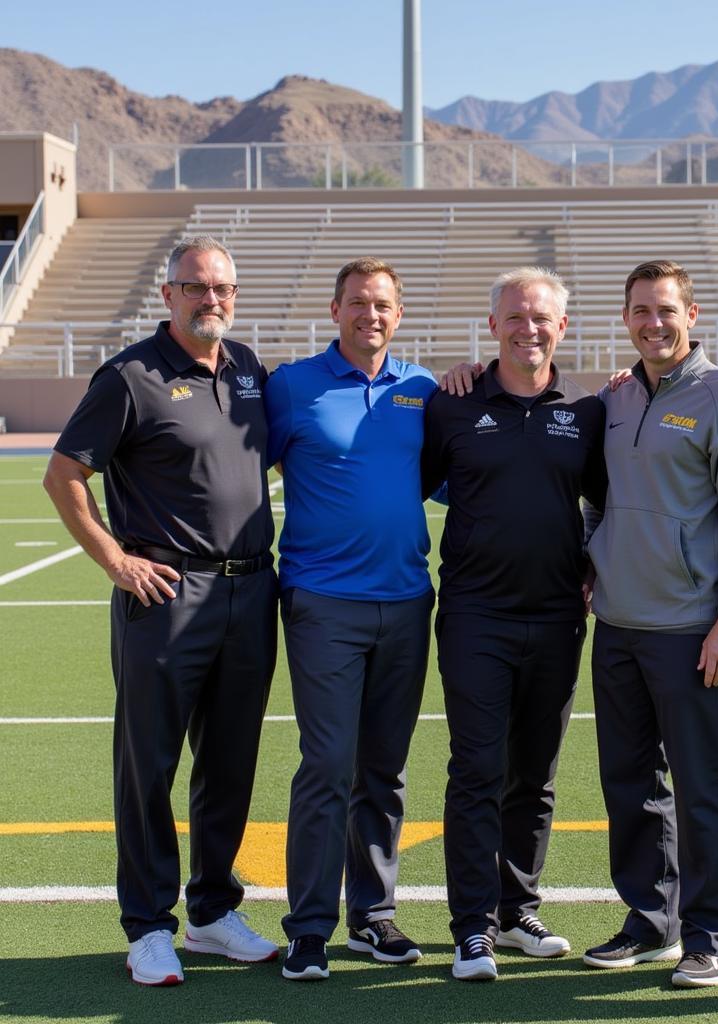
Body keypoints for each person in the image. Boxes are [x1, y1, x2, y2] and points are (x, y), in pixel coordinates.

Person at [43, 235, 279, 986]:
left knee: (230, 760)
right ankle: (147, 924)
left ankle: (212, 912)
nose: (212, 299)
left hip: (252, 589)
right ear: (168, 294)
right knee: (149, 764)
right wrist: (116, 560)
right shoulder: (129, 377)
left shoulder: (247, 369)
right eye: (196, 287)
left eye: (223, 288)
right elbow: (63, 476)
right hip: (169, 595)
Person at [582, 259, 718, 988]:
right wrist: (592, 562)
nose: (653, 323)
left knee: (700, 788)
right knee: (628, 783)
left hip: (691, 629)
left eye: (666, 310)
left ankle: (710, 935)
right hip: (618, 625)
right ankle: (648, 921)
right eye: (640, 310)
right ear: (626, 318)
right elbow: (600, 497)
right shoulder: (619, 398)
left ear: (691, 315)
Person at [421, 267, 607, 981]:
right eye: (516, 317)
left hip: (560, 616)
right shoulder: (452, 405)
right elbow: (407, 483)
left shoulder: (588, 412)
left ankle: (516, 907)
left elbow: (609, 499)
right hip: (475, 616)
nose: (529, 329)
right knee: (476, 770)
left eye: (543, 319)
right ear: (493, 324)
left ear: (562, 328)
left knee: (536, 773)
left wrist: (593, 563)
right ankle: (472, 927)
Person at [265, 257, 438, 981]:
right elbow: (235, 469)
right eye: (360, 303)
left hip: (406, 601)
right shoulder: (291, 387)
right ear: (335, 309)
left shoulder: (424, 390)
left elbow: (455, 475)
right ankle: (308, 925)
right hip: (322, 603)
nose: (372, 314)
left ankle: (372, 916)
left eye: (385, 305)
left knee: (384, 769)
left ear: (399, 314)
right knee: (328, 764)